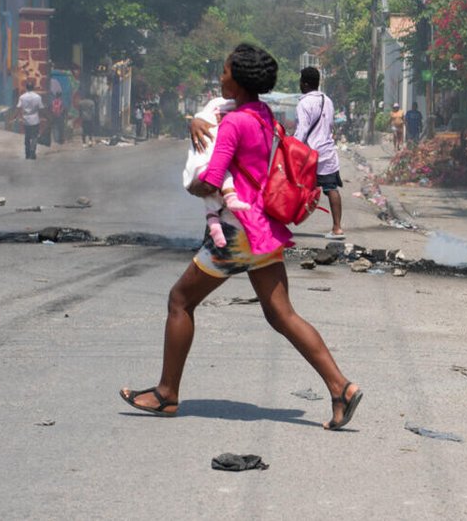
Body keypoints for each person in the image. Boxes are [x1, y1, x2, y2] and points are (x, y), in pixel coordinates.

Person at [120, 44, 362, 430]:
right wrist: (192, 122)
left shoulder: (234, 124)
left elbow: (212, 179)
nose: (220, 77)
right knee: (281, 314)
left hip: (236, 233)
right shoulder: (262, 115)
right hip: (262, 228)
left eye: (225, 71)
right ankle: (341, 387)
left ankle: (166, 393)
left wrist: (194, 183)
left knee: (180, 301)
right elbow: (213, 114)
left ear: (239, 78)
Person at [182, 96, 251, 249]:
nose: (221, 78)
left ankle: (213, 238)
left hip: (240, 210)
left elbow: (210, 183)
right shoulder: (220, 107)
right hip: (234, 196)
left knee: (214, 201)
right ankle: (212, 238)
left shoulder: (245, 115)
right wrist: (198, 121)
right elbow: (204, 118)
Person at [296, 66, 345, 240]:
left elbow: (302, 130)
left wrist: (292, 146)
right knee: (332, 188)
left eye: (301, 81)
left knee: (294, 186)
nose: (300, 84)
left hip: (310, 154)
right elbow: (330, 125)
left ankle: (282, 223)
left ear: (306, 83)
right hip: (328, 152)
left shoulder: (304, 103)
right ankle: (337, 228)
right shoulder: (328, 101)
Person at [14, 79, 44, 160]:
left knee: (27, 137)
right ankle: (32, 152)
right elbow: (41, 108)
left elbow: (18, 107)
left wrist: (15, 116)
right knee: (34, 137)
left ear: (26, 88)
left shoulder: (22, 97)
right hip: (35, 120)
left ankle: (27, 153)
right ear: (33, 88)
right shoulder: (38, 97)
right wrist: (44, 117)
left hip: (26, 120)